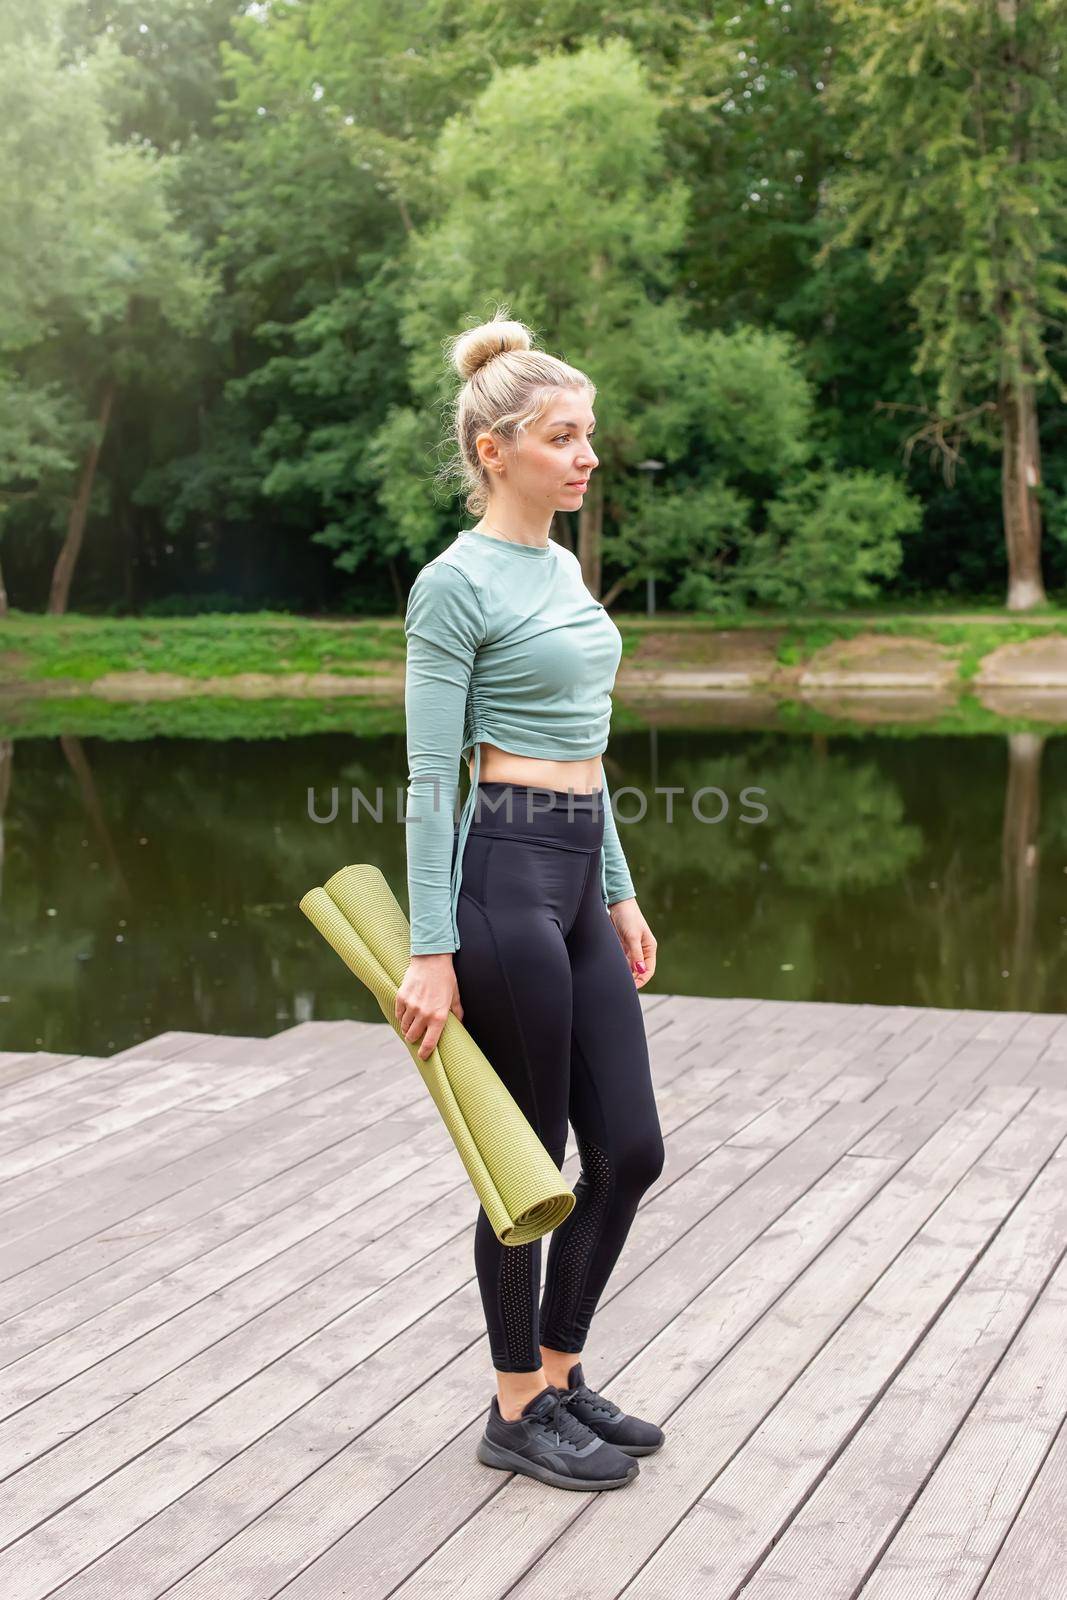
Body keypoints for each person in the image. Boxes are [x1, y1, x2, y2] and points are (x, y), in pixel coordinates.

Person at [394, 309, 666, 1493]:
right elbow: (425, 776)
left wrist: (616, 890)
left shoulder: (558, 566)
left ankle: (558, 1372)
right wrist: (429, 948)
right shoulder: (450, 588)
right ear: (496, 449)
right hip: (500, 871)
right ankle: (512, 1409)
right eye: (563, 436)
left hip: (571, 868)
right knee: (530, 1163)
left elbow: (587, 745)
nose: (585, 455)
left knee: (632, 1151)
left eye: (588, 434)